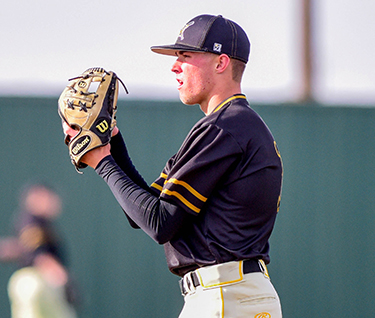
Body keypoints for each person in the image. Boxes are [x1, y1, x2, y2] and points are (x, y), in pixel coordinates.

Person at [64, 14, 283, 318]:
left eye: (186, 55)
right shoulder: (229, 126)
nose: (174, 66)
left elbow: (159, 223)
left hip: (225, 294)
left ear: (221, 63)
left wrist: (101, 161)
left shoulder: (225, 128)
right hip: (230, 293)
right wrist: (113, 144)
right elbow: (145, 211)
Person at [0, 182, 79, 318]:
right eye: (49, 197)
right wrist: (64, 281)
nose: (54, 201)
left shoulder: (40, 223)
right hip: (37, 282)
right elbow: (40, 257)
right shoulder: (32, 221)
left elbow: (18, 249)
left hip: (30, 282)